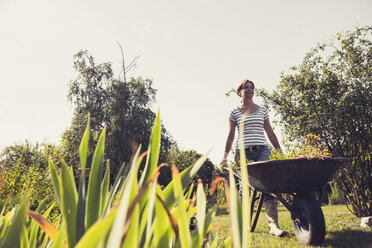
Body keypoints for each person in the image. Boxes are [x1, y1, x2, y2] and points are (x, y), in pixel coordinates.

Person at [219, 79, 287, 237]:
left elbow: (270, 132)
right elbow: (230, 136)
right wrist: (224, 157)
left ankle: (273, 226)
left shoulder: (262, 110)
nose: (249, 90)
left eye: (251, 88)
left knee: (267, 187)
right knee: (244, 189)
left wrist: (279, 151)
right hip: (242, 153)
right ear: (239, 92)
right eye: (246, 88)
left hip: (262, 151)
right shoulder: (234, 112)